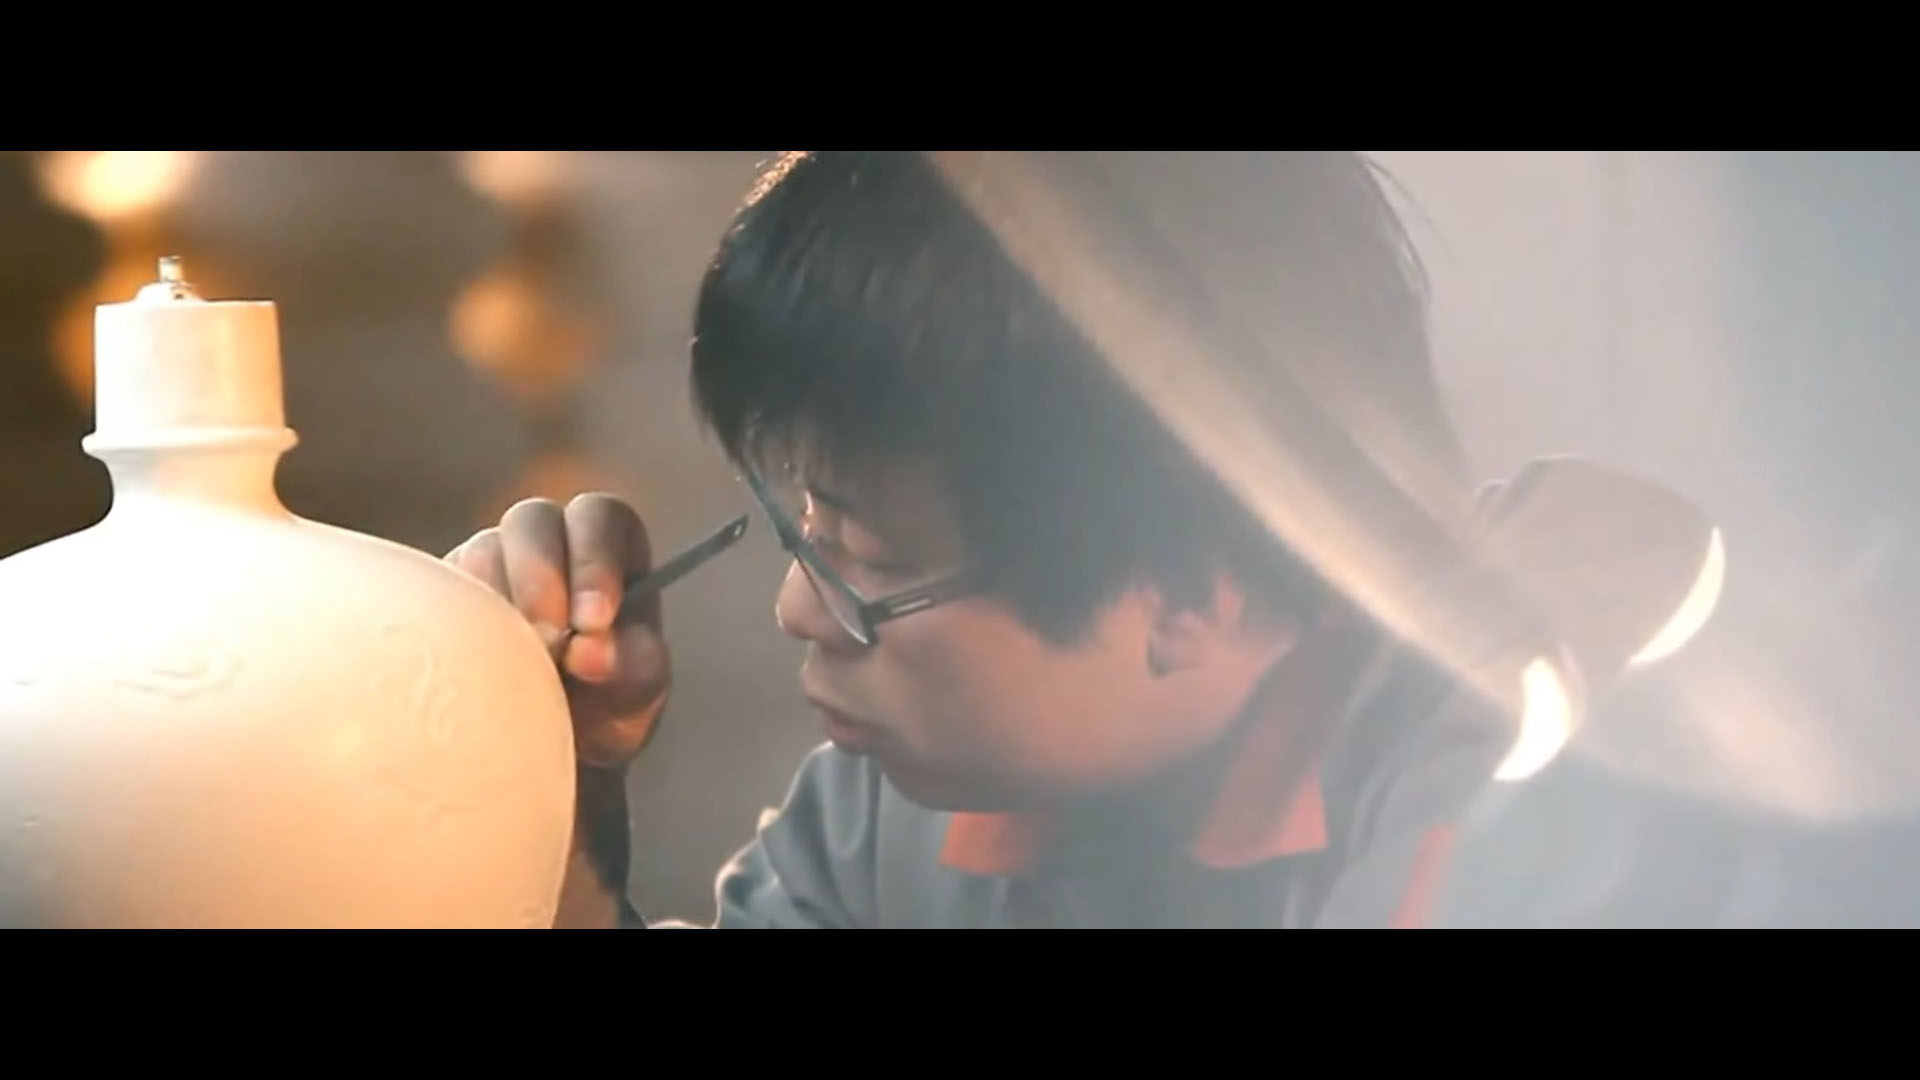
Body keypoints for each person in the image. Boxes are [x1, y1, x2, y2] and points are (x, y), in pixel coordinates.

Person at [446, 151, 1712, 928]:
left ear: (1189, 602)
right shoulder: (903, 811)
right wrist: (539, 793)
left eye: (868, 561)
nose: (797, 607)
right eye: (807, 525)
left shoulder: (1494, 808)